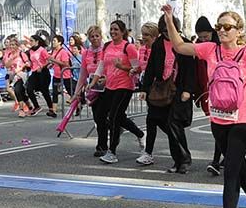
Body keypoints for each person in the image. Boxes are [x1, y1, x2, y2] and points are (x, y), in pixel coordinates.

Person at [164, 6, 246, 208]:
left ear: (239, 31)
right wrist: (169, 20)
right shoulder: (210, 50)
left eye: (228, 27)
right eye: (220, 27)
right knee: (239, 166)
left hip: (245, 118)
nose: (223, 30)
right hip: (218, 117)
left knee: (231, 168)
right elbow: (179, 46)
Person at [141, 15, 196, 173]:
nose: (167, 34)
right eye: (164, 31)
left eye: (170, 30)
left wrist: (188, 90)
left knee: (174, 124)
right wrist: (145, 89)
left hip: (179, 90)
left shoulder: (185, 44)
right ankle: (178, 159)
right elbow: (150, 67)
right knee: (164, 123)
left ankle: (183, 160)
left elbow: (191, 70)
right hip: (161, 89)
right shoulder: (158, 44)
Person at [99, 20, 145, 164]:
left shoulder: (128, 47)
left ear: (123, 31)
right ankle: (140, 134)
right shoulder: (106, 46)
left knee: (114, 117)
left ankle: (111, 152)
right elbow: (101, 67)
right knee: (116, 116)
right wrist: (94, 81)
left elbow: (137, 69)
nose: (113, 32)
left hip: (125, 86)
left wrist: (122, 66)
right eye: (111, 29)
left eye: (116, 29)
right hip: (110, 86)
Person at [75, 25, 112, 157]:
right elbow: (83, 74)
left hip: (107, 87)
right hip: (93, 89)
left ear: (101, 36)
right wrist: (77, 91)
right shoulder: (86, 53)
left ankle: (102, 145)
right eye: (92, 36)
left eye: (97, 35)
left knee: (102, 116)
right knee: (98, 117)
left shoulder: (107, 49)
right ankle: (107, 139)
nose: (95, 38)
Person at [195, 16, 225, 176]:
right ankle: (225, 157)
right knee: (218, 126)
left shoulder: (219, 45)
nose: (203, 39)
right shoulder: (199, 46)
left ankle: (216, 160)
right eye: (200, 37)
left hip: (223, 90)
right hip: (207, 90)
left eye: (206, 36)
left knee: (220, 126)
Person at [26, 34, 55, 117]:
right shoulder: (30, 51)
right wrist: (29, 64)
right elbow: (31, 61)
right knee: (29, 89)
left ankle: (51, 109)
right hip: (35, 72)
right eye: (29, 41)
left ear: (37, 42)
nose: (30, 42)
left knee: (44, 91)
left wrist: (42, 66)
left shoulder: (42, 50)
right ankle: (36, 106)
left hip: (43, 72)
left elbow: (49, 60)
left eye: (32, 41)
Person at [48, 34, 74, 107]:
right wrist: (51, 64)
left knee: (70, 91)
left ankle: (78, 104)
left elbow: (66, 64)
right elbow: (55, 61)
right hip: (57, 75)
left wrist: (54, 60)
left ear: (60, 42)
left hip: (65, 75)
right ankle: (54, 110)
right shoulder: (54, 51)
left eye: (54, 41)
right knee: (55, 92)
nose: (53, 42)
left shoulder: (63, 52)